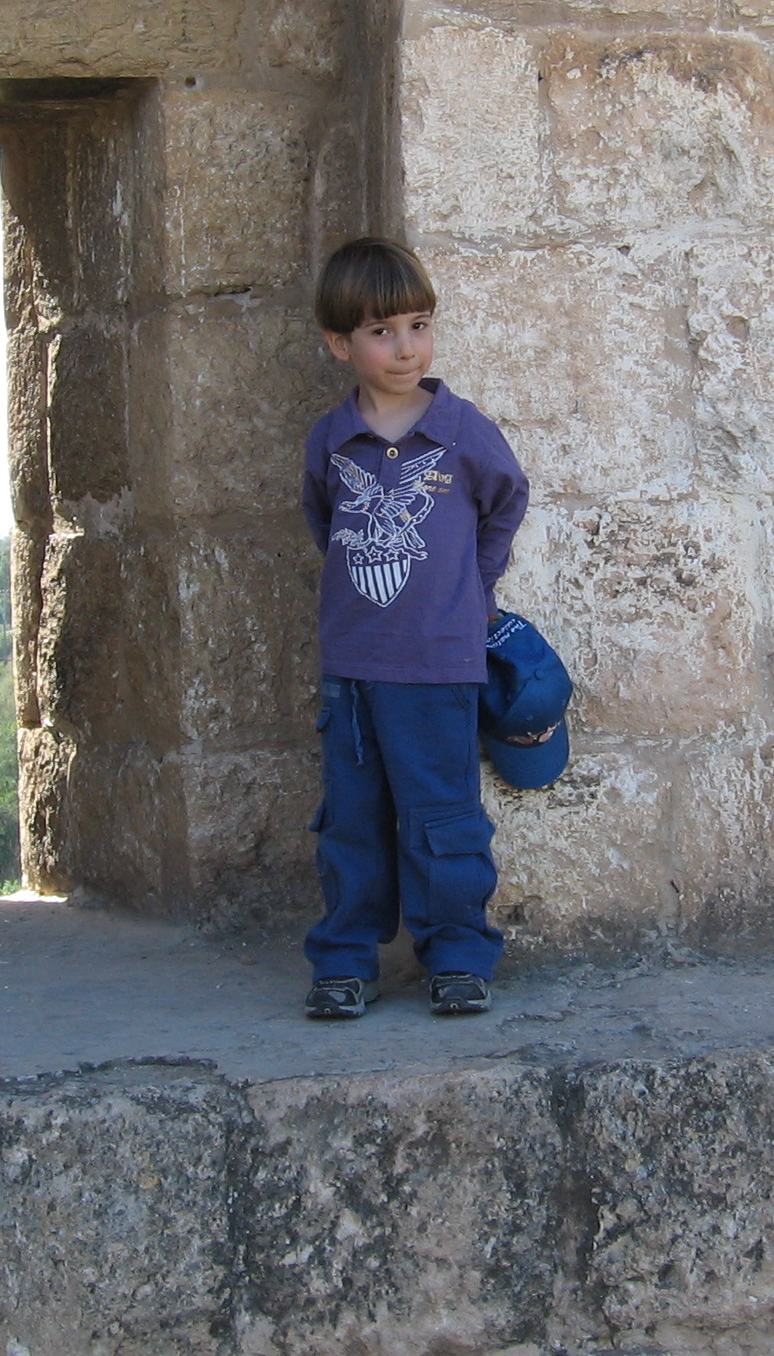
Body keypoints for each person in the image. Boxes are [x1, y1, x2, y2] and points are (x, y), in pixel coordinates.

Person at [298, 238, 529, 1020]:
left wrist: (472, 586)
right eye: (381, 331)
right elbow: (323, 521)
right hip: (353, 665)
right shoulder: (332, 441)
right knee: (351, 820)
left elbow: (507, 501)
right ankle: (344, 959)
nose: (406, 347)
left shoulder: (463, 432)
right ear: (341, 344)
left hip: (438, 662)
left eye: (419, 325)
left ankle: (458, 954)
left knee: (443, 817)